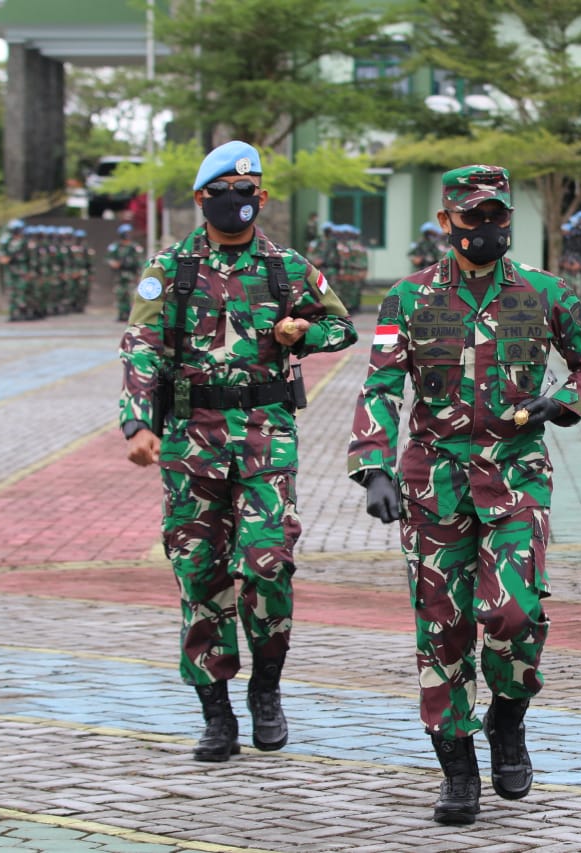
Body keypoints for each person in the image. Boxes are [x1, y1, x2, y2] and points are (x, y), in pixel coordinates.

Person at [346, 164, 581, 826]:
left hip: (515, 475)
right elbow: (381, 386)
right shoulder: (408, 298)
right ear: (447, 222)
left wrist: (564, 402)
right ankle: (458, 766)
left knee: (515, 614)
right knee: (443, 629)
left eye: (497, 216)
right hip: (433, 482)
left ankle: (508, 718)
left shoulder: (544, 292)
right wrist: (373, 467)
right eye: (473, 217)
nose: (487, 227)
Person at [118, 140, 357, 763]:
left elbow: (343, 326)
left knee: (267, 564)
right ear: (202, 198)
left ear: (262, 197)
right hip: (189, 441)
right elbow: (141, 345)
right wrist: (137, 424)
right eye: (223, 192)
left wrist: (304, 330)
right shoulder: (172, 268)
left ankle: (266, 688)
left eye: (246, 192)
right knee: (200, 574)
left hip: (264, 440)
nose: (236, 201)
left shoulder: (286, 267)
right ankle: (216, 712)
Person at [107, 223, 141, 322]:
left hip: (131, 275)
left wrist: (139, 274)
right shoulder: (115, 246)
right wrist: (113, 263)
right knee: (120, 294)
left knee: (131, 295)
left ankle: (131, 315)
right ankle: (121, 314)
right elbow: (109, 258)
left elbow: (139, 261)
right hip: (119, 275)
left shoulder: (134, 247)